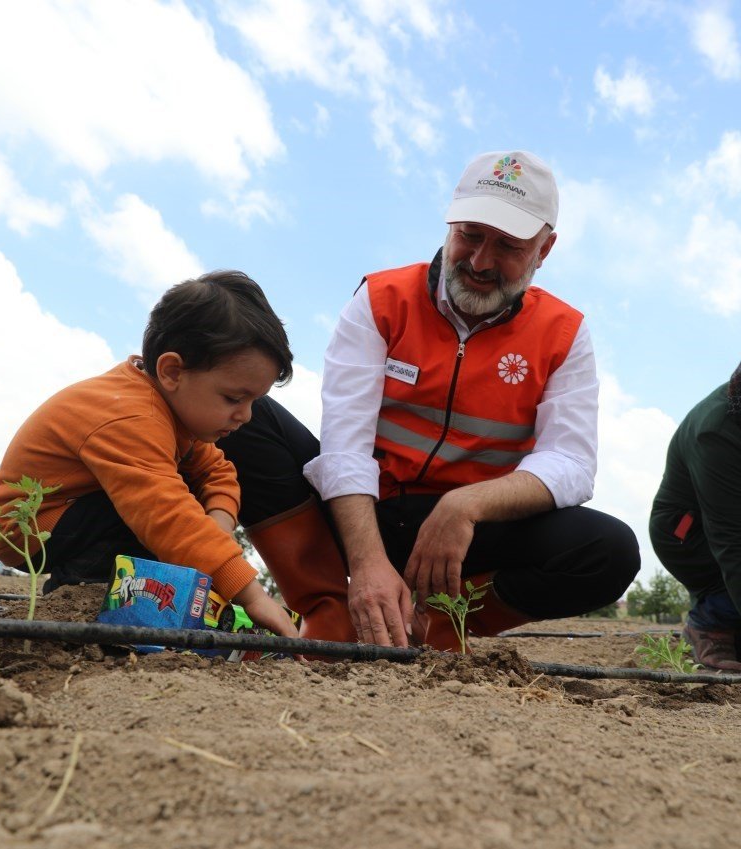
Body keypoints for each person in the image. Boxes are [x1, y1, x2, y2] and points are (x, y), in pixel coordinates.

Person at [220, 150, 641, 650]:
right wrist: (367, 562)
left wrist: (466, 505)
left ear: (544, 250)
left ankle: (437, 625)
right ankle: (330, 609)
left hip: (470, 535)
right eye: (470, 235)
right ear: (450, 224)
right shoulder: (381, 298)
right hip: (364, 511)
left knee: (609, 550)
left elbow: (571, 462)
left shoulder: (564, 333)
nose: (481, 262)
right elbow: (345, 448)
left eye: (507, 246)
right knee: (246, 417)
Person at [0, 270, 299, 640]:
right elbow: (166, 514)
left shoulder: (173, 416)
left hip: (77, 507)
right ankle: (84, 594)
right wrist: (253, 596)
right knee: (160, 510)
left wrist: (220, 526)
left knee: (183, 503)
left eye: (253, 401)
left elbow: (218, 471)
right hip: (28, 523)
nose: (245, 415)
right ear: (172, 371)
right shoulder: (132, 417)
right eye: (234, 398)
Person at [649, 361, 741, 671]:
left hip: (725, 532)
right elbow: (733, 543)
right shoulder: (717, 432)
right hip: (687, 534)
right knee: (727, 583)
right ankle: (710, 623)